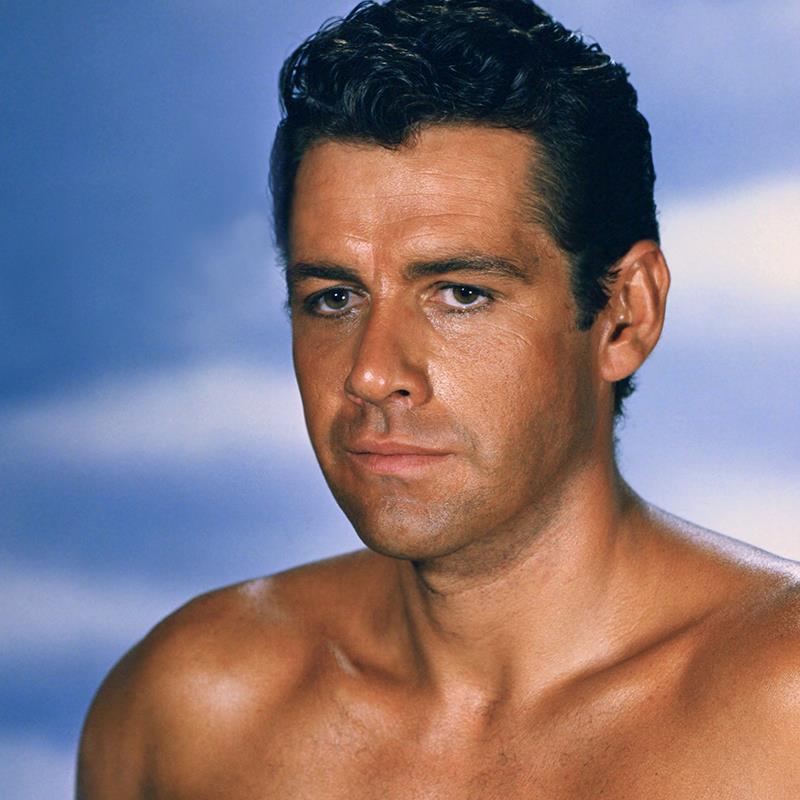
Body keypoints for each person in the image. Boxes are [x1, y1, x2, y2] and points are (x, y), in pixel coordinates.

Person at [77, 1, 800, 796]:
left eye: (460, 293)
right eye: (334, 298)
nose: (370, 371)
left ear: (625, 315)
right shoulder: (190, 714)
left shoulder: (782, 710)